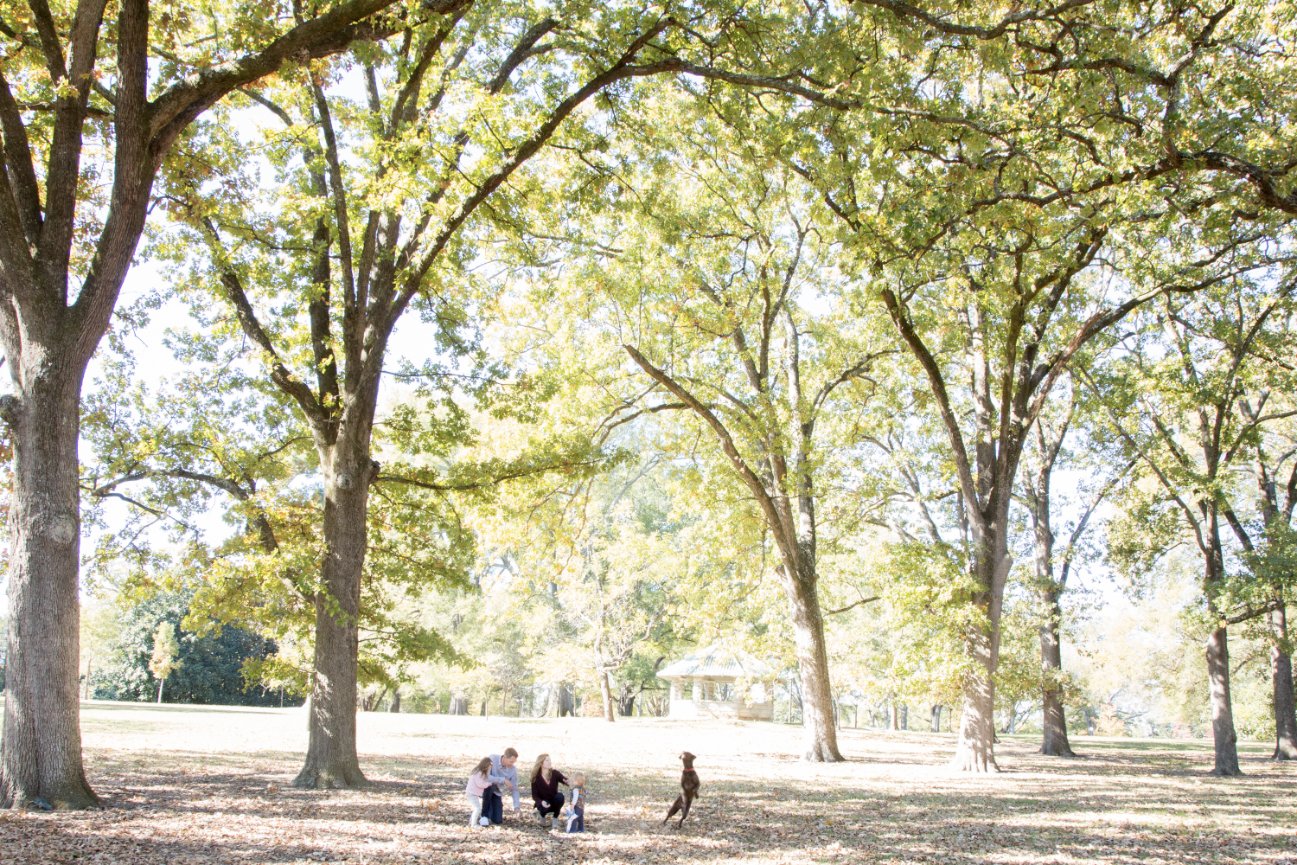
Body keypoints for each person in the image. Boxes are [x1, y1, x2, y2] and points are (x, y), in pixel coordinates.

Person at [529, 752, 568, 830]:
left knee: (560, 797)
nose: (549, 762)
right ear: (541, 763)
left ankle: (555, 819)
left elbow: (565, 780)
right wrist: (541, 802)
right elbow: (534, 795)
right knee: (542, 805)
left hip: (553, 800)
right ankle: (542, 816)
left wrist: (569, 781)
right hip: (543, 803)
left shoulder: (554, 773)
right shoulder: (536, 777)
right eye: (547, 760)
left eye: (550, 760)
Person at [488, 747, 522, 820]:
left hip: (497, 792)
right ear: (505, 757)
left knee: (497, 819)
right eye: (511, 761)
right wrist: (503, 780)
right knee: (488, 816)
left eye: (514, 762)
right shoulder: (492, 758)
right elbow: (486, 777)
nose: (512, 764)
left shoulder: (513, 769)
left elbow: (514, 788)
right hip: (486, 789)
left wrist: (517, 807)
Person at [465, 757, 494, 828]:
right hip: (471, 794)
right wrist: (489, 784)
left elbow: (486, 777)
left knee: (477, 808)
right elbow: (480, 784)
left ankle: (471, 822)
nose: (489, 769)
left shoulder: (480, 772)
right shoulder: (478, 773)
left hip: (474, 793)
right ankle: (473, 824)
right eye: (488, 767)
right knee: (477, 808)